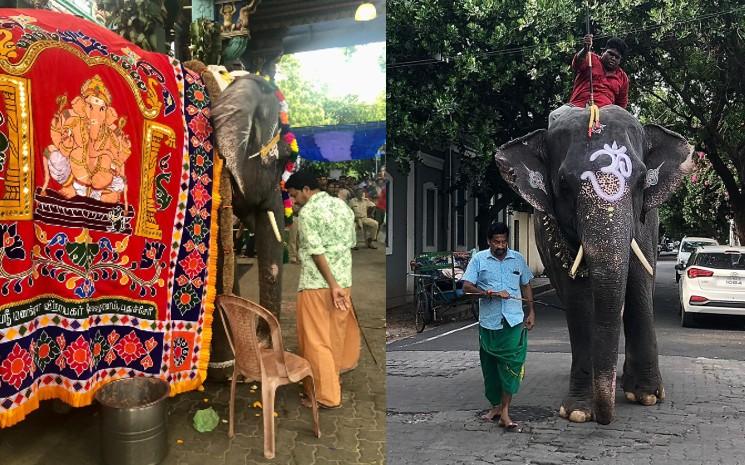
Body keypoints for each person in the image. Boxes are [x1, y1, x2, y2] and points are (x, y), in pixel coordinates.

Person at [285, 171, 360, 409]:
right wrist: (339, 283)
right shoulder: (342, 206)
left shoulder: (308, 213)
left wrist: (332, 283)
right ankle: (332, 381)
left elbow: (317, 252)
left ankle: (325, 395)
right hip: (344, 282)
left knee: (316, 341)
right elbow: (351, 242)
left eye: (295, 195)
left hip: (317, 285)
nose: (294, 201)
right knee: (334, 337)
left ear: (306, 189)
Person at [461, 222, 536, 431]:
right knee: (491, 367)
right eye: (496, 242)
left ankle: (505, 411)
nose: (501, 245)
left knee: (511, 365)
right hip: (489, 323)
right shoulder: (479, 260)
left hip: (513, 321)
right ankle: (495, 406)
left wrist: (531, 311)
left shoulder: (518, 259)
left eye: (504, 241)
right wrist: (489, 293)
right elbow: (466, 287)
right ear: (489, 241)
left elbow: (526, 284)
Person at [548, 34, 629, 127]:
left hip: (605, 113)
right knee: (554, 116)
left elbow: (621, 104)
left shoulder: (623, 77)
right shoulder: (590, 58)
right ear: (603, 51)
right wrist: (585, 49)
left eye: (617, 57)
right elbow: (577, 63)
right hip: (577, 106)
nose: (613, 58)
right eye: (611, 53)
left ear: (620, 60)